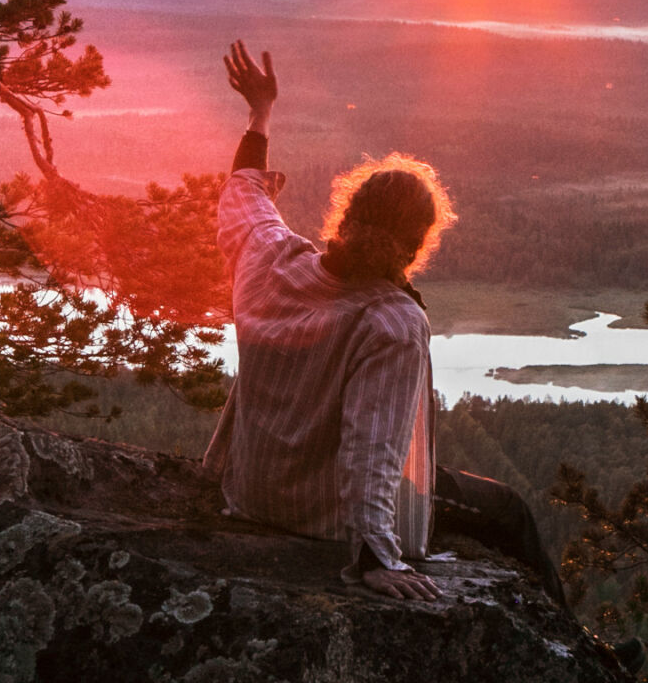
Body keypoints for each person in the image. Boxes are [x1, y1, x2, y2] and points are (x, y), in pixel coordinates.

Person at [203, 39, 573, 608]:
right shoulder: (391, 321)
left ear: (346, 214)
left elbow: (242, 192)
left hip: (248, 487)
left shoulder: (270, 260)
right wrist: (377, 555)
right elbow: (370, 449)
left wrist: (260, 113)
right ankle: (576, 655)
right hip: (319, 513)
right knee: (509, 512)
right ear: (420, 242)